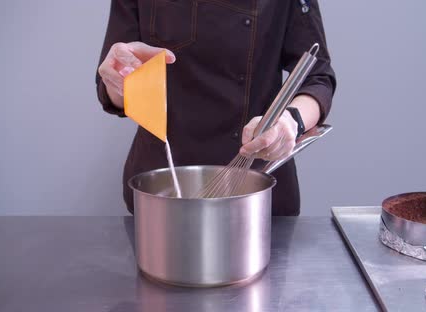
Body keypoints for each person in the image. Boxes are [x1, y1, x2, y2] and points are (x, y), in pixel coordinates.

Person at [96, 0, 336, 216]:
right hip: (161, 189)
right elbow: (117, 89)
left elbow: (317, 78)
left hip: (256, 189)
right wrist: (119, 80)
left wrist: (290, 122)